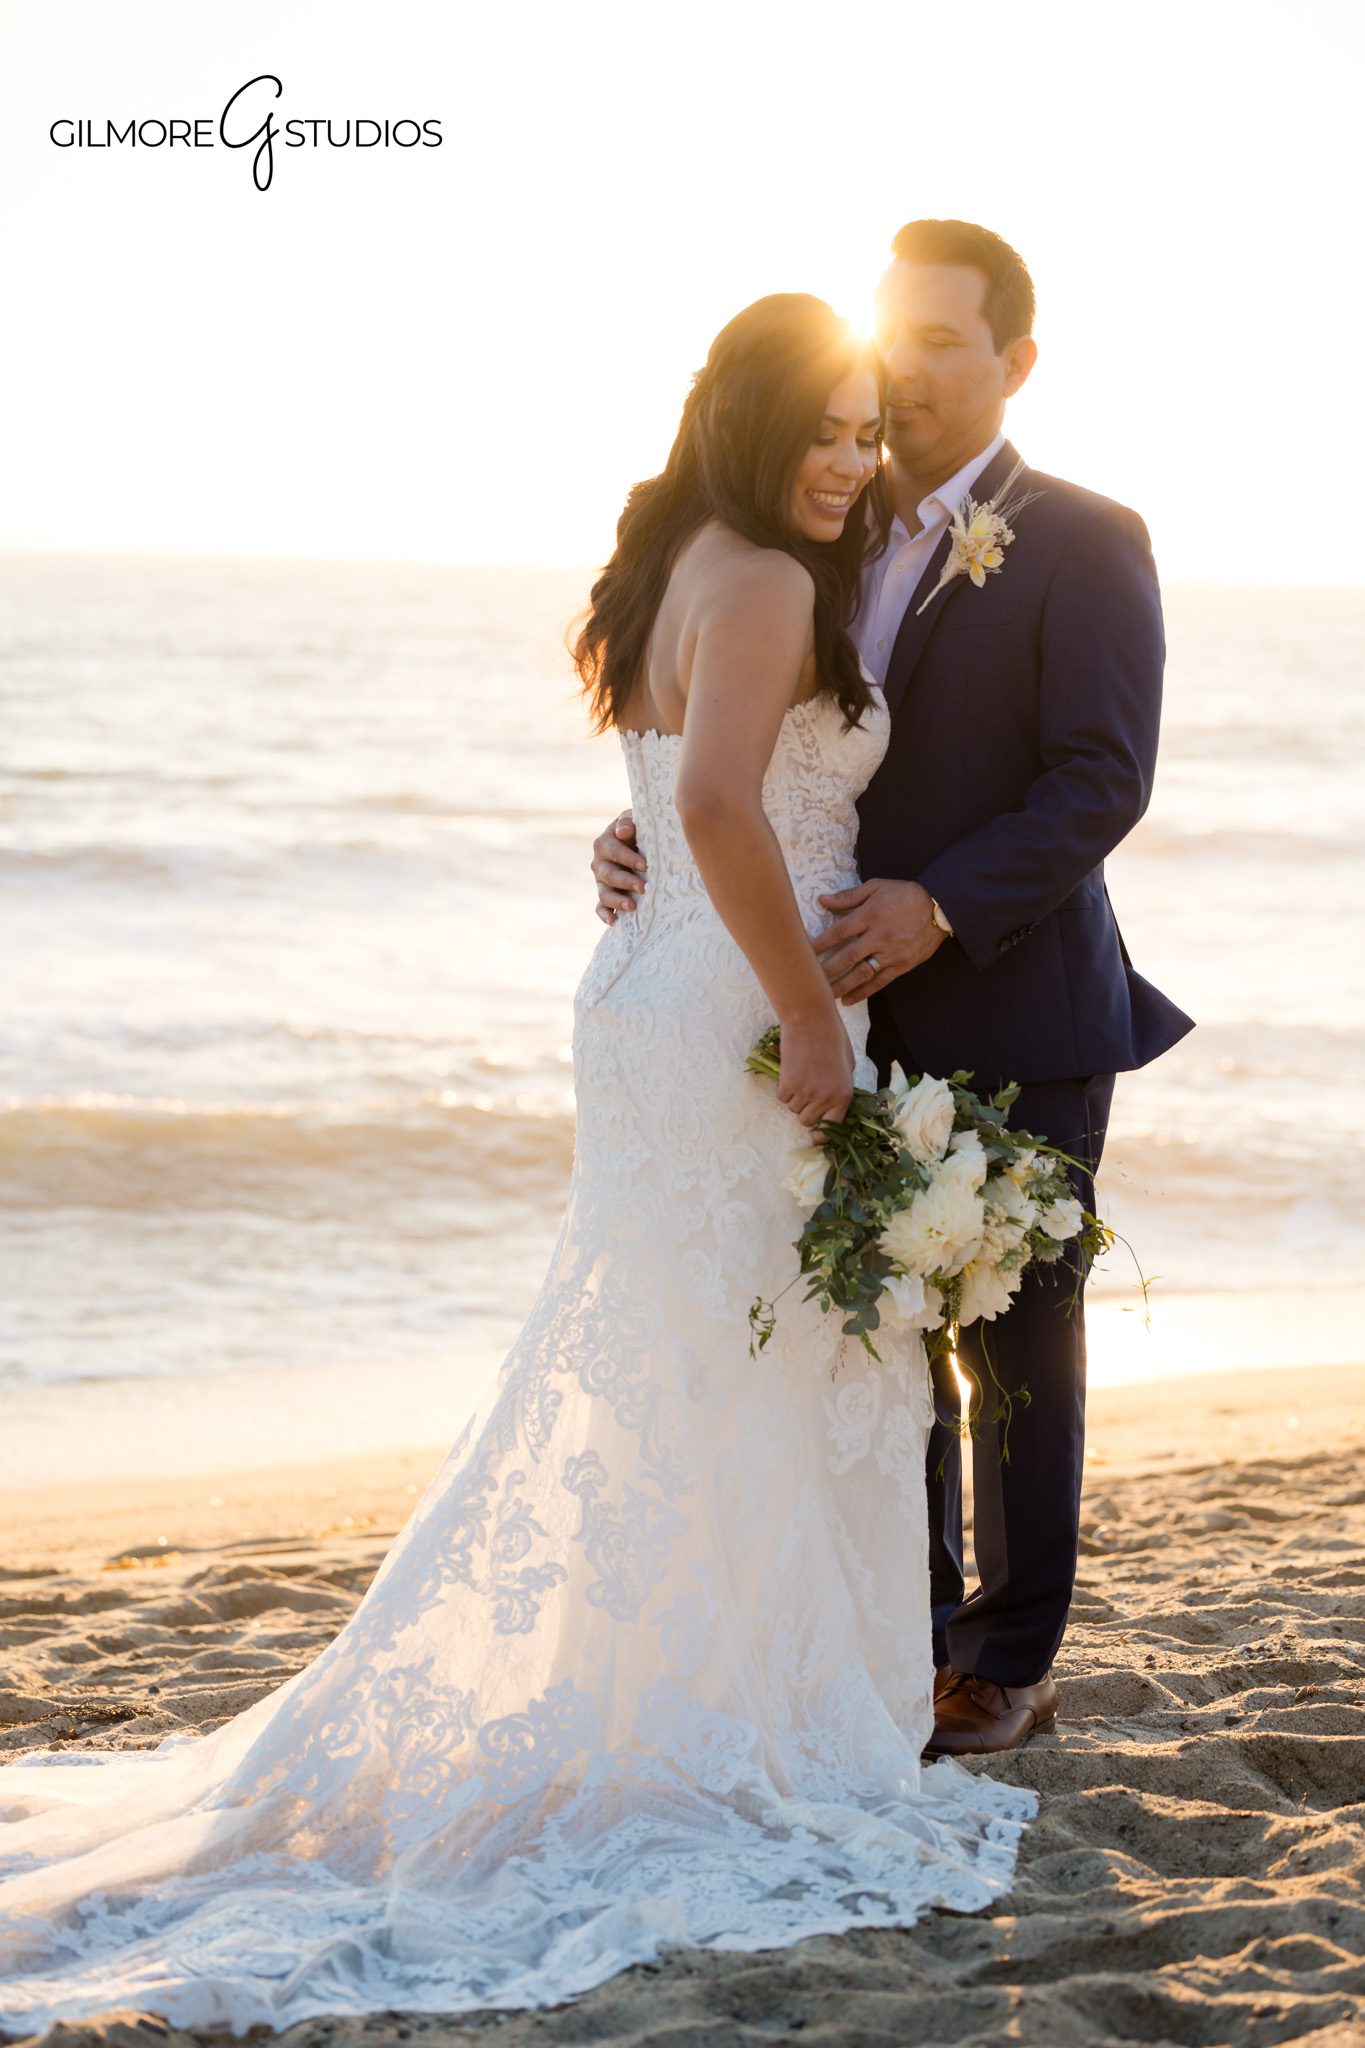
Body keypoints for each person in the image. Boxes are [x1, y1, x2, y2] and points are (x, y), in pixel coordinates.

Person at [0, 293, 1035, 2038]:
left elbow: (665, 782)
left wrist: (703, 912)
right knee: (772, 1351)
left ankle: (666, 1693)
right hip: (726, 999)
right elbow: (712, 804)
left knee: (675, 1345)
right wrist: (803, 1016)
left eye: (869, 430)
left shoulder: (670, 560)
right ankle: (753, 1722)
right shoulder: (771, 580)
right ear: (749, 419)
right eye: (827, 428)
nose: (853, 458)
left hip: (643, 994)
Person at [592, 221, 1195, 1762]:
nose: (908, 371)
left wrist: (941, 904)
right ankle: (904, 1633)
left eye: (944, 341)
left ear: (1013, 365)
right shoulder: (823, 531)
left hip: (1015, 999)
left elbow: (1099, 777)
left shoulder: (1081, 535)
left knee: (1017, 1349)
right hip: (845, 1007)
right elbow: (759, 748)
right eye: (894, 335)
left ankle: (1002, 1660)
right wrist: (652, 824)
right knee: (870, 1337)